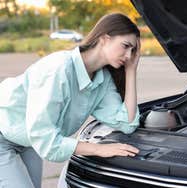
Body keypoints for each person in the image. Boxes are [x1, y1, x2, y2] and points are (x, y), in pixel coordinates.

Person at [0, 13, 141, 188]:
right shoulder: (58, 69)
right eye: (126, 46)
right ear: (105, 39)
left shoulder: (102, 80)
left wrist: (131, 71)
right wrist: (98, 149)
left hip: (28, 140)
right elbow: (46, 140)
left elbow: (127, 123)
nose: (129, 55)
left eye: (133, 50)